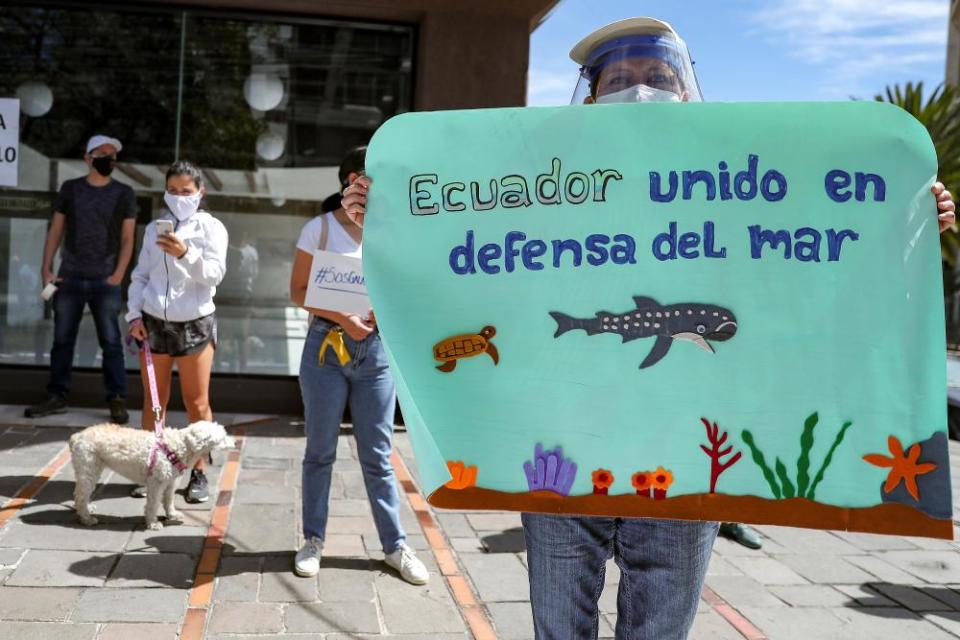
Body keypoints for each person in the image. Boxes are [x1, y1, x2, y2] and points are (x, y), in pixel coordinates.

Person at [343, 17, 957, 639]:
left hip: (681, 463)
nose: (638, 88)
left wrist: (903, 220)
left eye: (658, 75)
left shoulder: (734, 183)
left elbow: (804, 282)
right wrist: (389, 220)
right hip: (561, 447)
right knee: (558, 628)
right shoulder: (541, 179)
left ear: (686, 89)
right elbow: (471, 261)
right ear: (591, 91)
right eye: (619, 77)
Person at [288, 146, 428, 585]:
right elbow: (297, 291)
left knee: (378, 456)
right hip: (325, 350)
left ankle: (395, 546)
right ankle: (313, 540)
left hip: (377, 353)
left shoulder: (393, 232)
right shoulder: (320, 229)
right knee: (320, 452)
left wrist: (379, 316)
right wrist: (344, 317)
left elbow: (411, 288)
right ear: (352, 179)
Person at [126, 160, 228, 504]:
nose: (179, 197)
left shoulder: (212, 228)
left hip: (195, 323)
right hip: (154, 321)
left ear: (201, 192)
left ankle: (198, 471)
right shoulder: (154, 228)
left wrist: (186, 253)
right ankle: (151, 467)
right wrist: (133, 315)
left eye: (186, 191)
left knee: (197, 402)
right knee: (155, 402)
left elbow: (214, 274)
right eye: (172, 191)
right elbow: (141, 275)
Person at [26, 135, 137, 423]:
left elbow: (128, 238)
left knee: (111, 342)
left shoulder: (124, 193)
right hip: (70, 276)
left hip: (106, 280)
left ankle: (116, 398)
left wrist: (118, 275)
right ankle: (57, 396)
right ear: (88, 157)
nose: (109, 159)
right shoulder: (71, 189)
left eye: (113, 155)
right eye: (103, 153)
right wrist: (46, 268)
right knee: (62, 340)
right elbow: (56, 230)